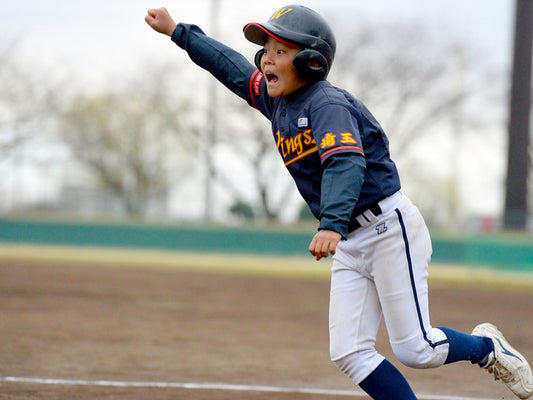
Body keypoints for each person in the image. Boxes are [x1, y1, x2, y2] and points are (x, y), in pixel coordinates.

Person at [145, 5, 533, 399]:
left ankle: (488, 349)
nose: (265, 58)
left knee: (416, 349)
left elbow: (345, 162)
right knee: (350, 351)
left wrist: (331, 222)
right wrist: (178, 31)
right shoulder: (277, 101)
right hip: (350, 238)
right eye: (265, 50)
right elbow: (229, 66)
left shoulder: (325, 104)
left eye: (280, 50)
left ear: (312, 61)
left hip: (387, 229)